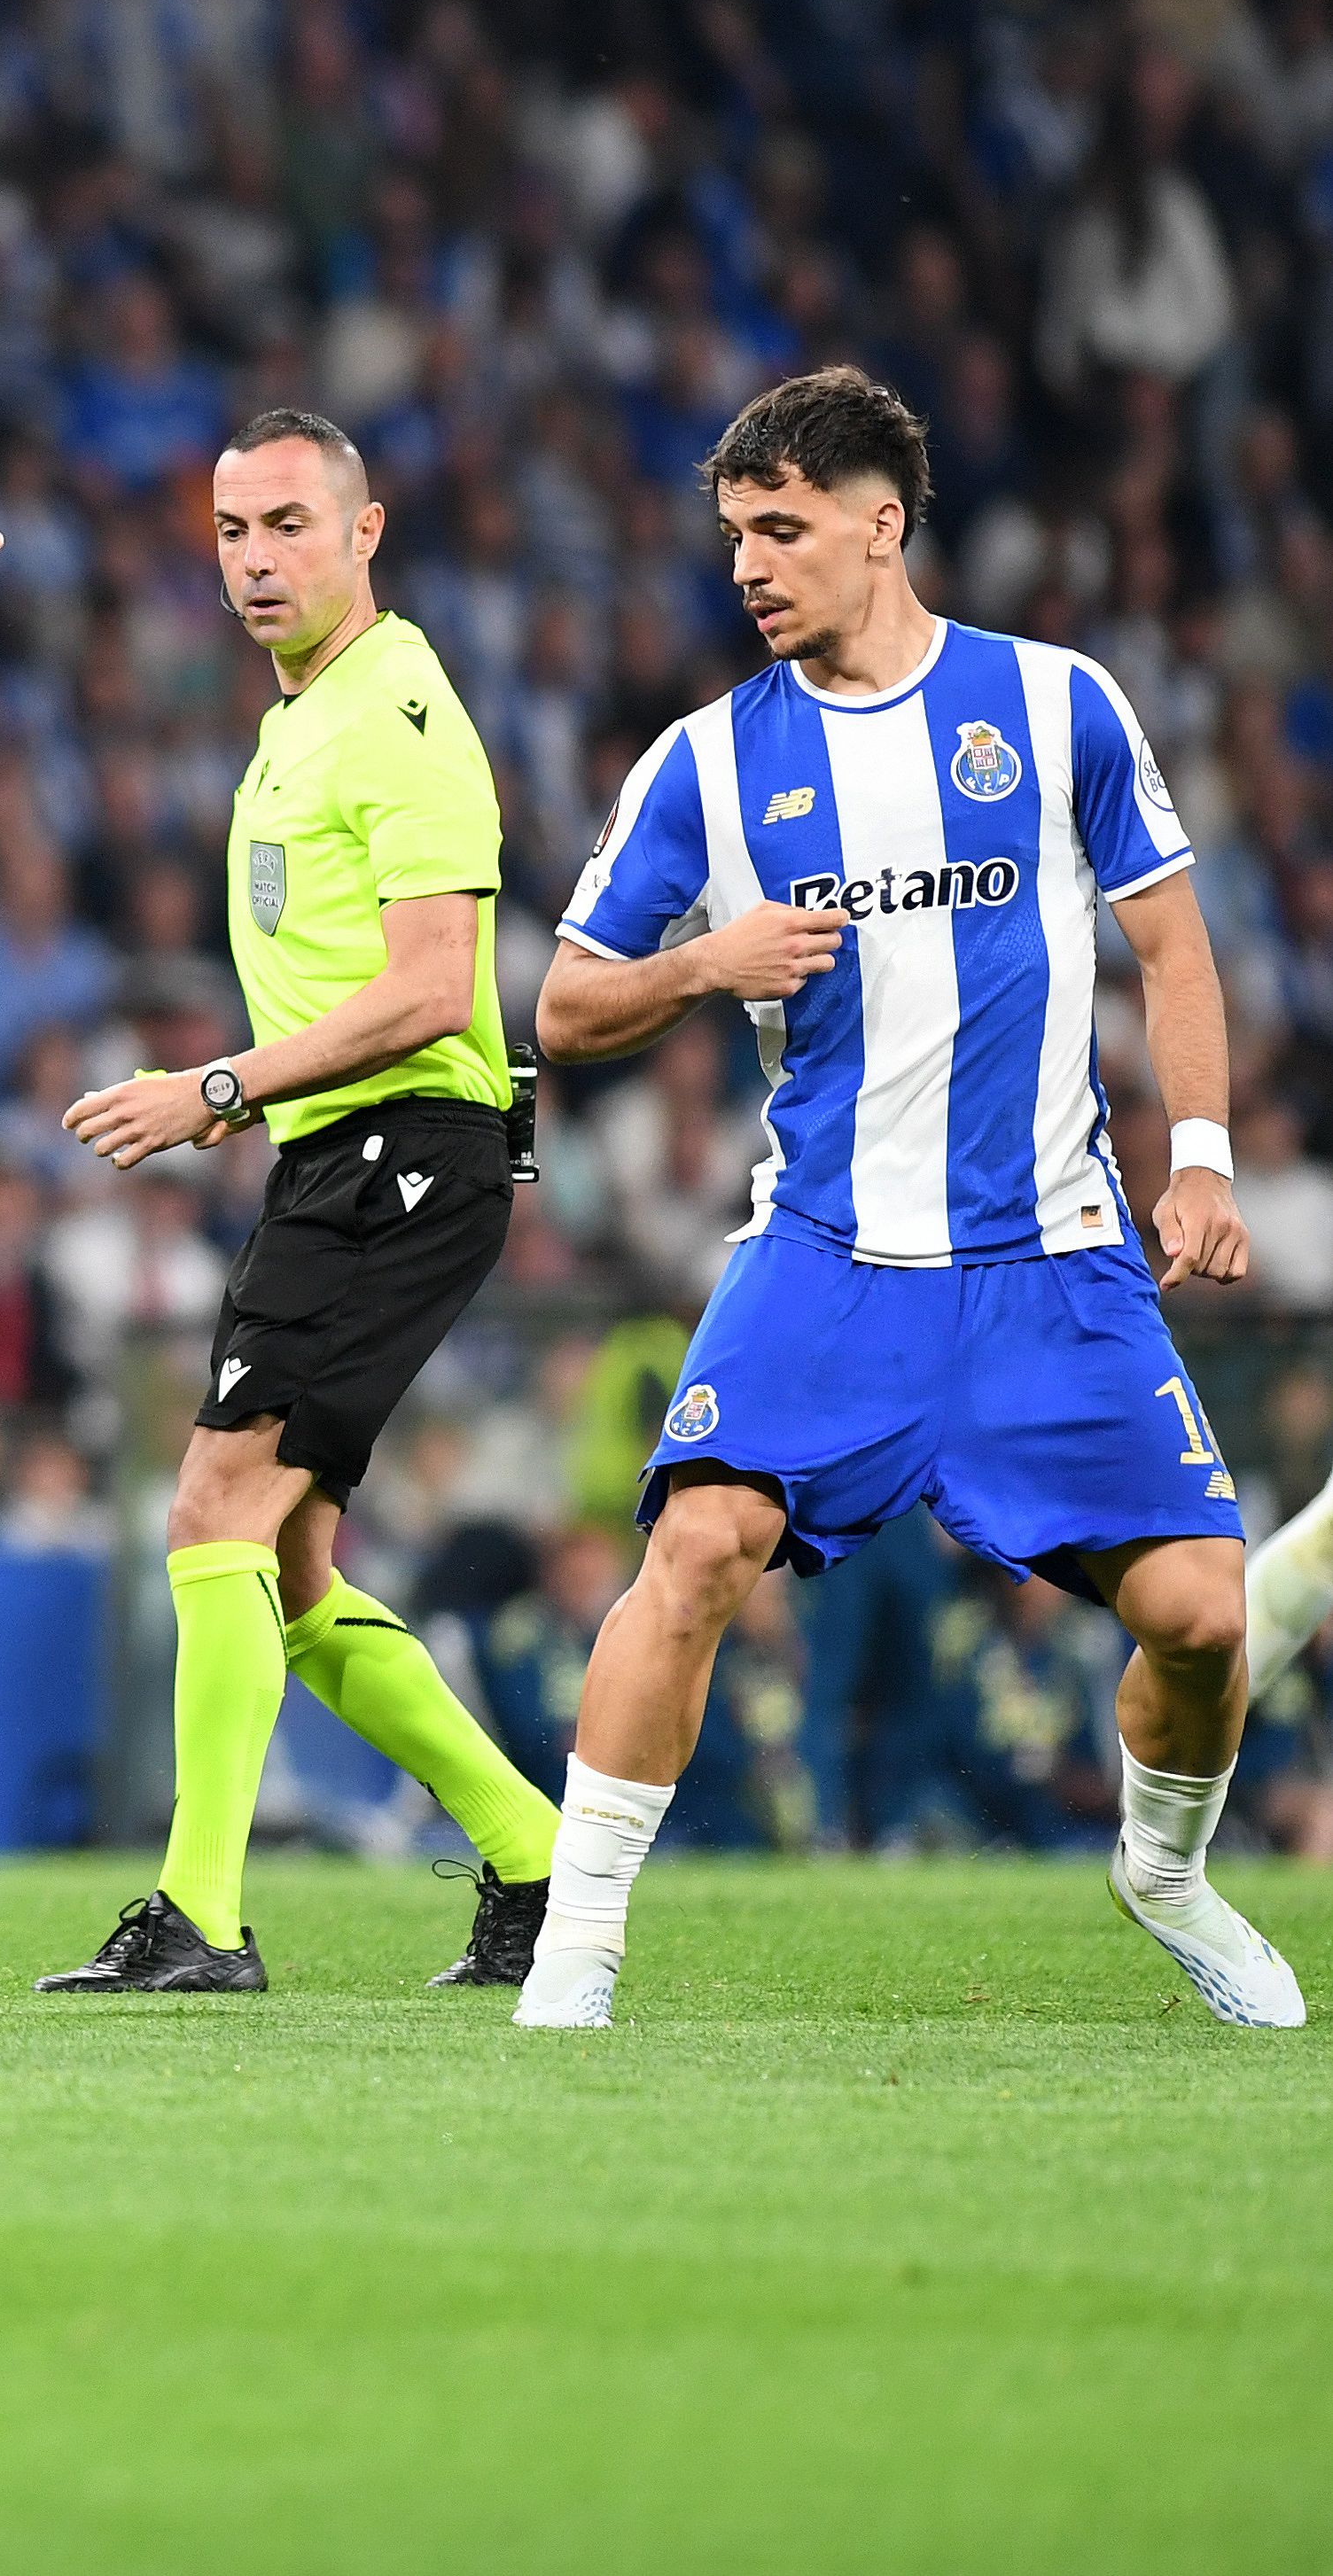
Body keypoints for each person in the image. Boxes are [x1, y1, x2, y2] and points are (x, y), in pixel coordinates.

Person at [518, 365, 1297, 2029]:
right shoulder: (705, 762)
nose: (748, 565)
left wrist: (1203, 1158)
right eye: (734, 534)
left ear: (881, 526)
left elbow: (1173, 949)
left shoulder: (1057, 705)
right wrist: (703, 961)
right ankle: (574, 1949)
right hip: (829, 1252)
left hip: (1050, 1259)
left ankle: (1164, 1872)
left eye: (781, 529)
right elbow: (564, 1008)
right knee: (697, 1543)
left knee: (1201, 1618)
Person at [39, 409, 560, 1996]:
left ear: (363, 530)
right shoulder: (305, 715)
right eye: (230, 531)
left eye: (286, 524)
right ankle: (539, 1859)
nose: (255, 559)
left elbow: (430, 989)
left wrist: (217, 1086)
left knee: (212, 1509)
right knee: (291, 1564)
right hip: (350, 1154)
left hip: (401, 1150)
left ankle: (198, 1914)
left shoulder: (396, 713)